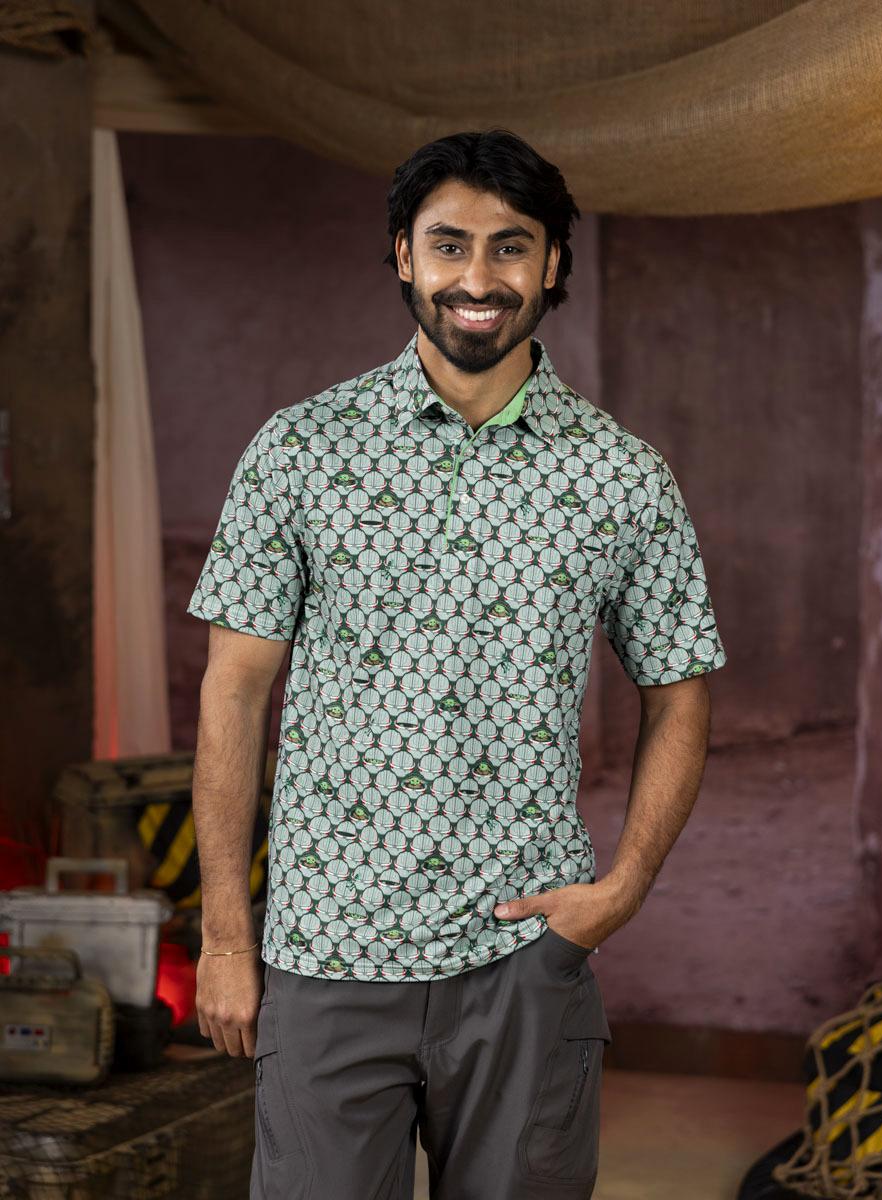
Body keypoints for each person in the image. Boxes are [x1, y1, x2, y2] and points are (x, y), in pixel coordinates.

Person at [189, 129, 727, 1200]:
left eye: (510, 246)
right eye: (449, 245)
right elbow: (234, 693)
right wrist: (225, 941)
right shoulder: (301, 451)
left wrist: (620, 890)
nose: (477, 279)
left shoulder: (622, 478)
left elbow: (681, 694)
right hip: (327, 952)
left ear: (554, 263)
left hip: (525, 961)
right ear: (403, 255)